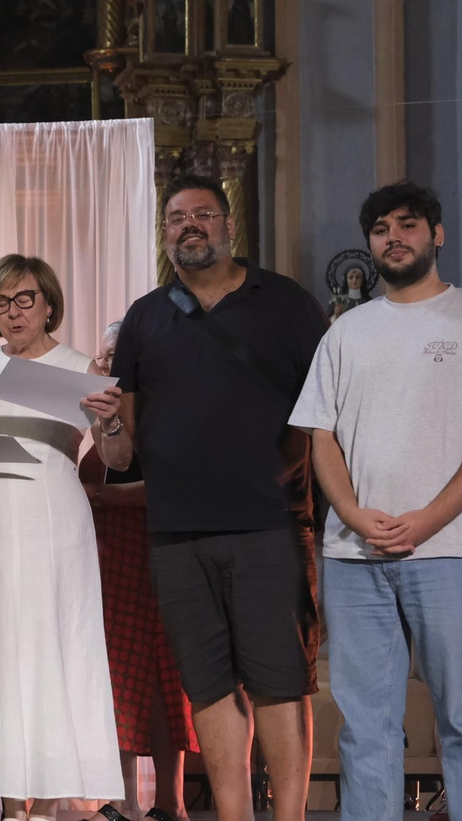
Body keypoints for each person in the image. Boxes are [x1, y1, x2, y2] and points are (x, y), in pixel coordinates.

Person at [289, 180, 462, 821]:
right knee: (366, 727)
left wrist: (430, 519)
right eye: (380, 229)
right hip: (355, 555)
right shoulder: (346, 332)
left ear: (436, 235)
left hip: (452, 551)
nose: (393, 237)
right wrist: (349, 514)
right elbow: (322, 435)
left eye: (408, 224)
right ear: (369, 244)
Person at [90, 175, 325, 821]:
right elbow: (123, 446)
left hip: (269, 525)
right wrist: (105, 419)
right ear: (164, 233)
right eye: (175, 218)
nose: (188, 225)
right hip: (176, 534)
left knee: (280, 684)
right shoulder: (145, 316)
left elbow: (330, 412)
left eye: (202, 214)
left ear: (228, 225)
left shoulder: (286, 303)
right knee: (209, 687)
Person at [0, 254, 123, 818]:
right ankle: (14, 806)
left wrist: (110, 420)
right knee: (1, 654)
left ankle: (53, 803)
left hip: (55, 521)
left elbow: (118, 456)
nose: (12, 312)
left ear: (49, 303)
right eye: (1, 303)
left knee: (57, 649)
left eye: (24, 299)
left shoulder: (81, 367)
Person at [80, 321, 194, 821]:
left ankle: (170, 803)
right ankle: (120, 801)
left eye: (116, 357)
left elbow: (174, 486)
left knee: (170, 675)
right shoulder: (100, 413)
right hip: (109, 556)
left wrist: (104, 496)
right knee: (117, 675)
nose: (108, 366)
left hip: (162, 548)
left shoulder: (169, 410)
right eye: (104, 357)